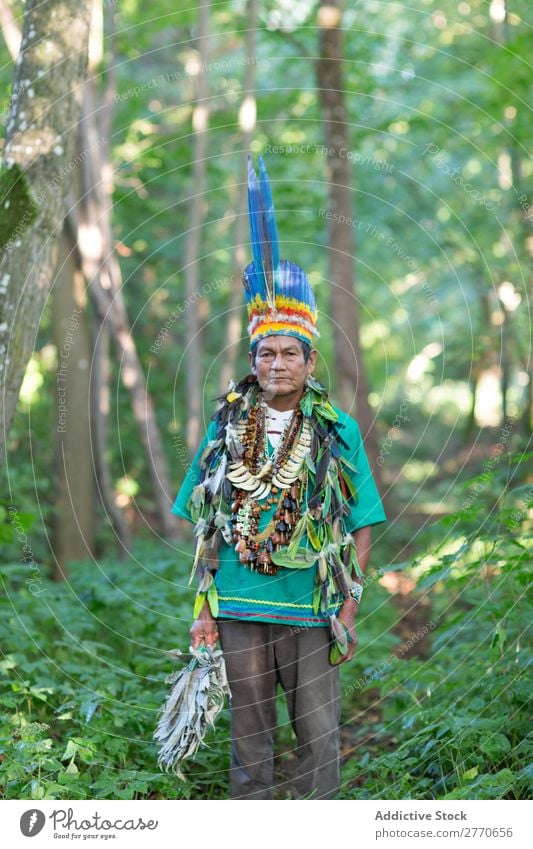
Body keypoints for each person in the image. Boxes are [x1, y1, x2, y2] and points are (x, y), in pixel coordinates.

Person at [171, 156, 386, 799]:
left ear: (310, 359)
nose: (277, 363)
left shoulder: (337, 430)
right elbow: (207, 526)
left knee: (319, 741)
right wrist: (204, 611)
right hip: (237, 605)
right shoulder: (225, 427)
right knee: (250, 744)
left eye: (290, 352)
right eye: (266, 352)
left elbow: (361, 523)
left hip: (313, 611)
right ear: (252, 359)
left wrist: (349, 604)